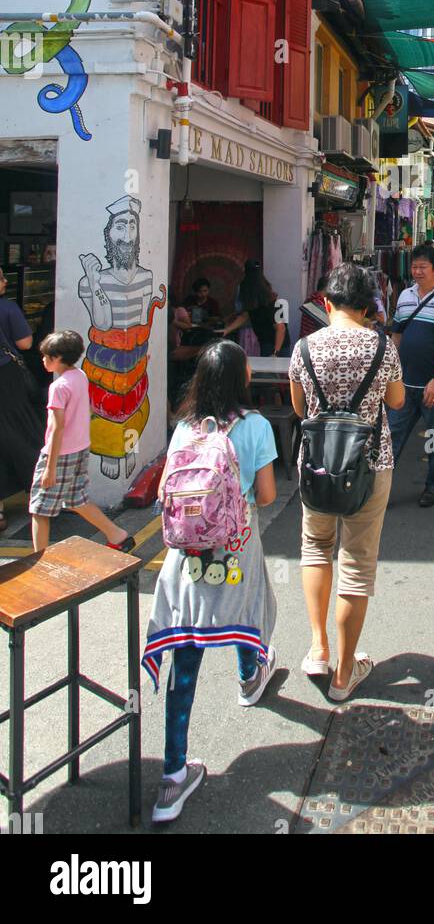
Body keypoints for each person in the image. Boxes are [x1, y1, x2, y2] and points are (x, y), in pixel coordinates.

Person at [142, 339, 278, 824]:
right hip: (235, 553)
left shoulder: (183, 429)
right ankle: (249, 676)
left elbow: (166, 494)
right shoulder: (258, 427)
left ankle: (173, 776)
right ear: (243, 378)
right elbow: (265, 495)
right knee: (246, 612)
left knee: (187, 652)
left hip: (186, 559)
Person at [288, 263, 404, 701]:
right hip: (371, 463)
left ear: (327, 302)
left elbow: (300, 410)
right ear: (369, 306)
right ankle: (343, 673)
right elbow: (396, 400)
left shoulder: (303, 348)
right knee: (356, 563)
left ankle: (317, 648)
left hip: (316, 465)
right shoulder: (382, 347)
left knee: (315, 547)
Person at [29, 331, 134, 552]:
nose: (43, 360)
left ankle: (39, 561)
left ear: (57, 358)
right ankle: (118, 535)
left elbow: (57, 428)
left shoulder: (57, 387)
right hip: (80, 448)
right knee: (77, 499)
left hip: (59, 454)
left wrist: (50, 467)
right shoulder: (79, 376)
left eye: (47, 356)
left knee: (39, 509)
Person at [388, 243, 434, 507]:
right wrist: (391, 373)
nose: (417, 271)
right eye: (414, 266)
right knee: (391, 435)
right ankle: (378, 489)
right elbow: (396, 335)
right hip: (403, 385)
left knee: (433, 438)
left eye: (422, 267)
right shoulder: (405, 296)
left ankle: (433, 484)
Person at [0, 269, 43, 531]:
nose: (5, 281)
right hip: (7, 378)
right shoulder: (8, 308)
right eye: (1, 277)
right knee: (22, 433)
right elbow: (26, 343)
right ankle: (39, 494)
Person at [224, 260, 287, 357]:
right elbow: (244, 316)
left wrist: (275, 352)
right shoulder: (255, 300)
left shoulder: (271, 302)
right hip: (265, 341)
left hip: (277, 344)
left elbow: (280, 328)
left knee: (269, 371)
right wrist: (227, 330)